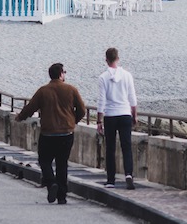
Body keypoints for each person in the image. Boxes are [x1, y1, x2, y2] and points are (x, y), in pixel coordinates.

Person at [16, 63, 87, 205]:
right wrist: (73, 121)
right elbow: (82, 110)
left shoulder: (43, 91)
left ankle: (51, 183)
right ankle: (62, 196)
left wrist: (20, 117)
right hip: (66, 134)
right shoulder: (71, 89)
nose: (65, 74)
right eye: (64, 72)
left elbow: (30, 108)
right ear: (61, 74)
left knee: (44, 161)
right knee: (62, 164)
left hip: (48, 134)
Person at [96, 47, 138, 190]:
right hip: (125, 114)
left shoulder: (103, 77)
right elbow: (132, 98)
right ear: (118, 59)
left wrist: (99, 120)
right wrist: (134, 115)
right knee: (126, 147)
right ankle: (128, 174)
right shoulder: (127, 75)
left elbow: (101, 101)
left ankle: (111, 180)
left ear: (106, 60)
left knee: (110, 148)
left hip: (110, 116)